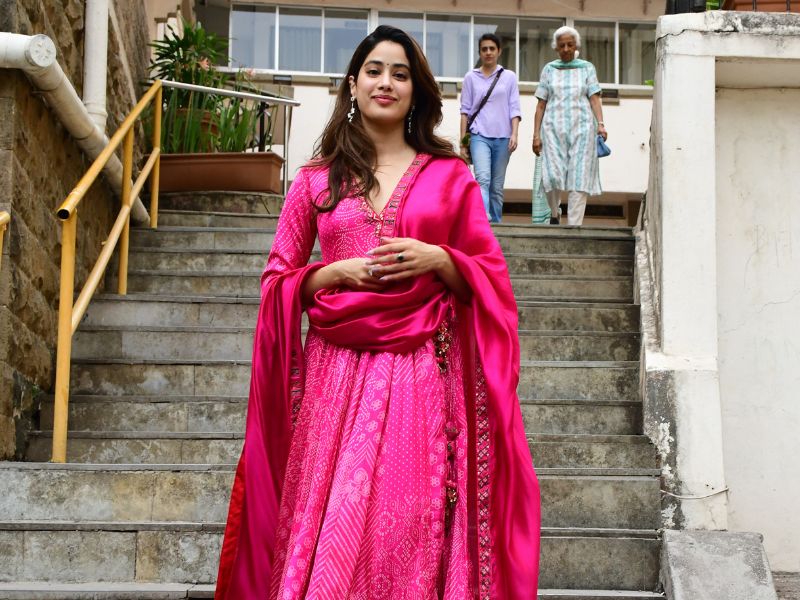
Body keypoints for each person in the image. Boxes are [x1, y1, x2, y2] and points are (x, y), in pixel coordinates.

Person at [214, 25, 540, 600]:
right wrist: (331, 273)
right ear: (353, 83)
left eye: (400, 74)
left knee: (406, 522)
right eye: (374, 71)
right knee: (334, 518)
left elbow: (491, 276)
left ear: (416, 92)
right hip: (332, 380)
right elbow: (276, 280)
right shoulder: (315, 179)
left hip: (420, 375)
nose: (386, 82)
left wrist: (440, 258)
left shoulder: (450, 176)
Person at [532, 26, 608, 226]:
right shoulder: (549, 69)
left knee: (579, 177)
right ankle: (554, 213)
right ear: (556, 47)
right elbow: (541, 105)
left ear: (576, 46)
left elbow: (594, 98)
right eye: (562, 45)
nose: (566, 49)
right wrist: (536, 135)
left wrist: (601, 124)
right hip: (552, 130)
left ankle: (574, 225)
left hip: (582, 129)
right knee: (552, 175)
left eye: (570, 44)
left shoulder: (587, 68)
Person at [459, 33, 522, 223]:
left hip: (504, 137)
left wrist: (515, 134)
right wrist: (463, 143)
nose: (488, 52)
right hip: (479, 136)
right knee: (483, 179)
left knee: (496, 187)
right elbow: (465, 112)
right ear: (479, 52)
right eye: (484, 49)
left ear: (499, 51)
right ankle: (483, 222)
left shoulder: (509, 77)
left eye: (492, 49)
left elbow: (514, 108)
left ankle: (496, 224)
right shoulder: (471, 77)